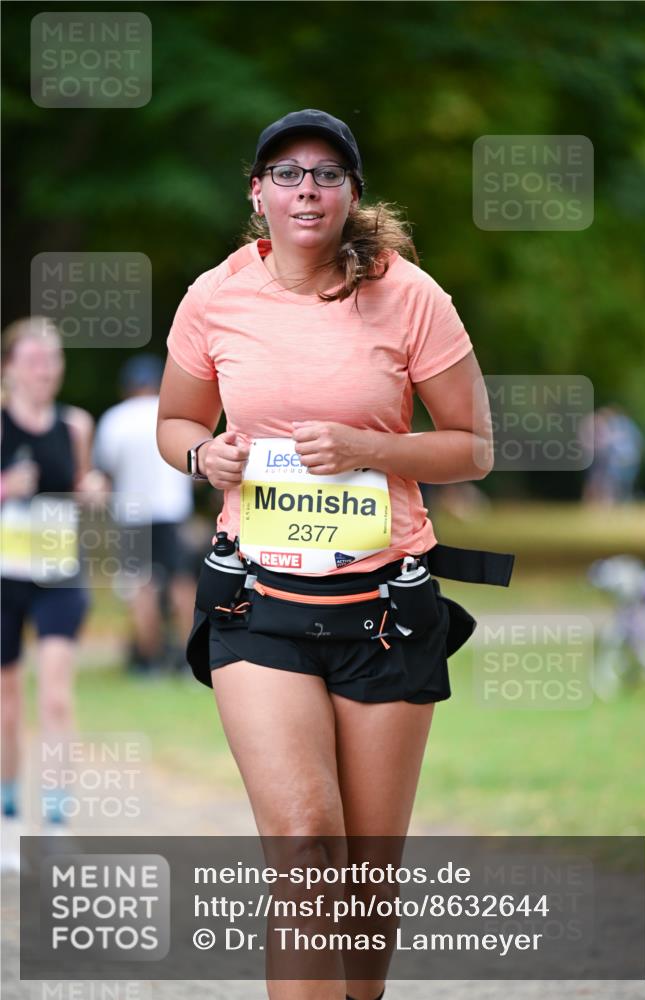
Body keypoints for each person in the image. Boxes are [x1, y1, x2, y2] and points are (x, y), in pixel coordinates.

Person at [157, 110, 504, 1000]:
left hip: (386, 607)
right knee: (307, 847)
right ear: (256, 192)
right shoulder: (216, 296)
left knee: (365, 878)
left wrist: (369, 450)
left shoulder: (409, 295)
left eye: (325, 174)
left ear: (351, 194)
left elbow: (471, 447)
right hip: (258, 603)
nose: (304, 189)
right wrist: (205, 455)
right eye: (285, 173)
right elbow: (176, 422)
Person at [0, 316, 103, 868]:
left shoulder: (76, 425)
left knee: (57, 696)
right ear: (9, 367)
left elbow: (85, 485)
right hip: (3, 577)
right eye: (34, 358)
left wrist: (92, 489)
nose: (46, 368)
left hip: (59, 573)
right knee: (7, 701)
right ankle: (8, 811)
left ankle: (57, 819)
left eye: (53, 358)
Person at [93, 354, 198, 675]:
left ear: (127, 387)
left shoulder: (116, 419)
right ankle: (186, 658)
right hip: (172, 509)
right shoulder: (175, 416)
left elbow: (105, 471)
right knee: (182, 583)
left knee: (141, 585)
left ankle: (149, 661)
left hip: (132, 512)